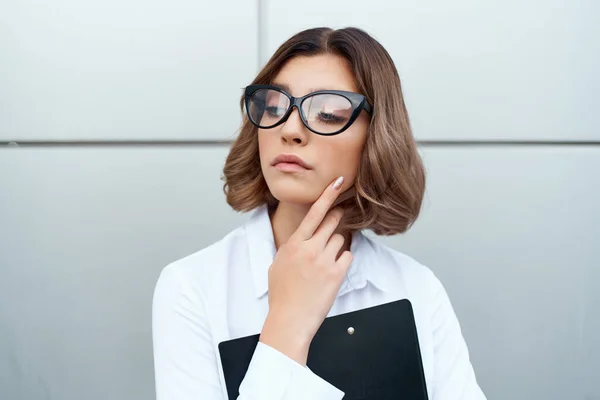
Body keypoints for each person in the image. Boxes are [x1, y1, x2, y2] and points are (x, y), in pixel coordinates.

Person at [152, 27, 487, 399]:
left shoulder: (416, 288)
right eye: (274, 107)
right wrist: (286, 327)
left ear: (376, 136)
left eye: (327, 113)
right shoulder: (192, 287)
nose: (289, 129)